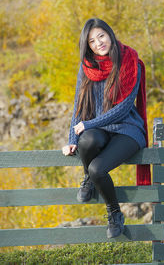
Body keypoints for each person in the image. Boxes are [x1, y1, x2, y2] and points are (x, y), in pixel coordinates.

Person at [62, 18, 151, 238]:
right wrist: (72, 139)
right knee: (87, 141)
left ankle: (114, 214)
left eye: (101, 36)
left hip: (127, 129)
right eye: (91, 41)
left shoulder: (130, 61)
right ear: (87, 46)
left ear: (109, 34)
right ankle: (88, 178)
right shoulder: (87, 67)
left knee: (97, 169)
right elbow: (79, 107)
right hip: (100, 129)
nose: (98, 43)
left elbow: (124, 108)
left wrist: (88, 124)